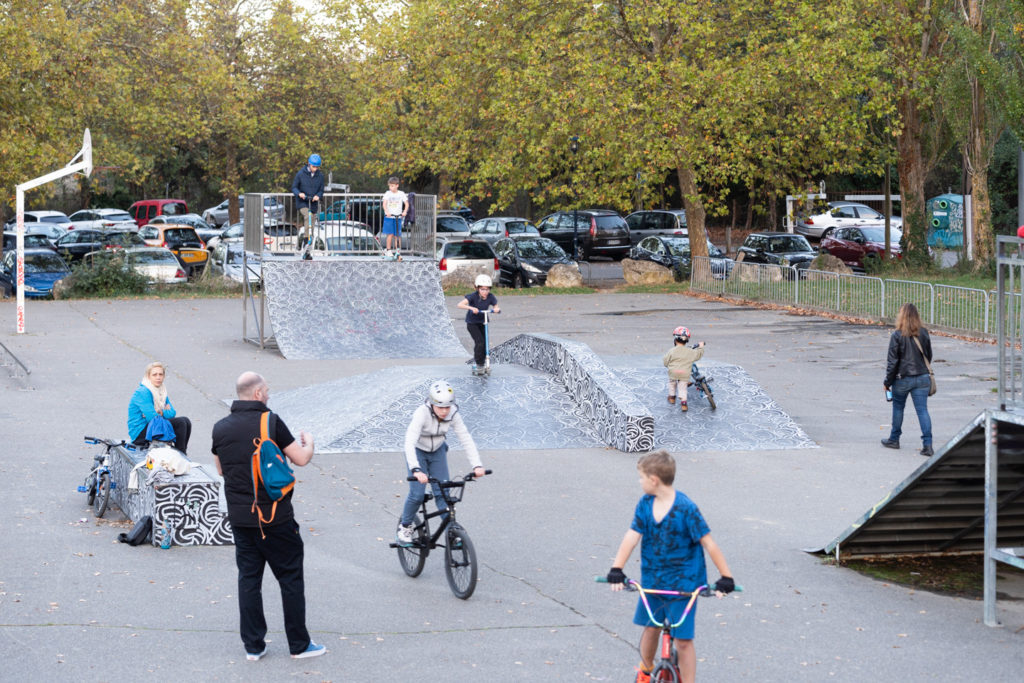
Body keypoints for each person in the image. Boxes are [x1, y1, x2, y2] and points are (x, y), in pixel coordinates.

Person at [211, 371, 326, 661]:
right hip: (275, 518)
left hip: (240, 518)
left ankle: (254, 646)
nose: (269, 395)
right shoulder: (270, 422)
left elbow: (221, 469)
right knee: (290, 577)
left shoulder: (220, 428)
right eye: (267, 391)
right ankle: (299, 645)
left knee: (249, 579)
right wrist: (309, 442)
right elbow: (300, 458)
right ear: (258, 393)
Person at [606, 450, 735, 683]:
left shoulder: (686, 508)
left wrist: (726, 577)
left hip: (685, 583)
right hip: (654, 580)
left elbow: (709, 543)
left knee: (684, 641)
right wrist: (617, 569)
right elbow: (632, 536)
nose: (640, 482)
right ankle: (645, 670)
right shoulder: (645, 504)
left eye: (641, 477)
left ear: (653, 480)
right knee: (650, 628)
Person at [396, 380, 486, 546]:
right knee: (417, 494)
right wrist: (416, 469)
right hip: (418, 451)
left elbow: (465, 438)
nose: (445, 411)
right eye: (440, 407)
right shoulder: (421, 414)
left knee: (443, 493)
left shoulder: (453, 414)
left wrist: (477, 465)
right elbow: (409, 442)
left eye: (447, 407)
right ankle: (405, 526)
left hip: (437, 451)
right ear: (431, 404)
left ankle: (451, 532)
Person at [882, 302, 934, 456]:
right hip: (923, 377)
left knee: (898, 408)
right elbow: (928, 355)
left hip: (902, 378)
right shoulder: (924, 333)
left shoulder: (897, 335)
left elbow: (893, 362)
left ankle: (894, 439)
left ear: (901, 316)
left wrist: (887, 382)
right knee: (923, 411)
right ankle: (928, 445)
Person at [127, 361, 191, 453]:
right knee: (180, 422)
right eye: (154, 375)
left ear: (164, 376)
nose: (158, 377)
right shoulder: (143, 392)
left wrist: (160, 412)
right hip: (140, 433)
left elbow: (172, 413)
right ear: (148, 376)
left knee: (186, 421)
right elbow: (152, 418)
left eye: (160, 374)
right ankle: (180, 453)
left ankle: (181, 452)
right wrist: (160, 412)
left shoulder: (161, 391)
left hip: (153, 427)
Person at [456, 274, 500, 373]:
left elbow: (496, 306)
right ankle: (478, 364)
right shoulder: (473, 296)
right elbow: (460, 305)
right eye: (482, 289)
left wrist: (496, 309)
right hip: (472, 323)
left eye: (487, 289)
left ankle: (483, 363)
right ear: (477, 288)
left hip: (483, 322)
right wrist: (472, 308)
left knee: (485, 344)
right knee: (479, 342)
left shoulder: (490, 297)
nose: (485, 292)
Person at [662, 326, 705, 413]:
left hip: (673, 372)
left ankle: (672, 398)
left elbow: (665, 361)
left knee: (672, 384)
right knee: (682, 388)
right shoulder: (690, 352)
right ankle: (684, 404)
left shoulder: (672, 351)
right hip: (684, 373)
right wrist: (701, 347)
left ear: (675, 339)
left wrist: (669, 366)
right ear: (687, 340)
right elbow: (698, 355)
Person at [291, 154, 324, 251]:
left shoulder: (320, 176)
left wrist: (318, 195)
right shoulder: (301, 173)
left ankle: (309, 240)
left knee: (312, 221)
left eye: (317, 167)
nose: (315, 169)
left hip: (313, 202)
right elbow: (294, 187)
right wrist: (299, 193)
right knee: (307, 216)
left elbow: (321, 190)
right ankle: (306, 240)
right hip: (302, 202)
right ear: (309, 164)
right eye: (314, 166)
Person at [381, 176, 408, 255]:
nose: (390, 187)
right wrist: (386, 211)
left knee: (397, 235)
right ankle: (388, 250)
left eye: (392, 186)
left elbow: (406, 203)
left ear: (397, 185)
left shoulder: (401, 193)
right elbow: (384, 204)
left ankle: (398, 251)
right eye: (389, 186)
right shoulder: (387, 193)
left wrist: (405, 211)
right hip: (389, 217)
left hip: (398, 217)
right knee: (390, 234)